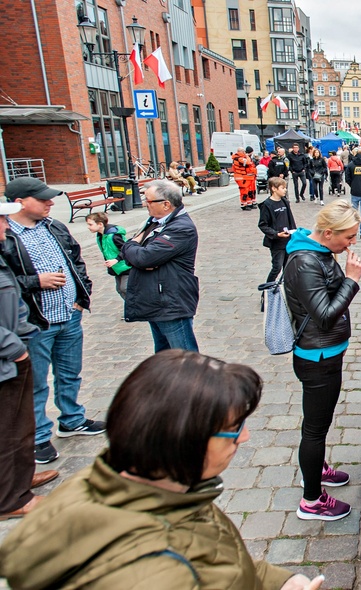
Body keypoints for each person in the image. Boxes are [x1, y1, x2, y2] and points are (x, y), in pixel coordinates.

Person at [0, 349, 325, 590]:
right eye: (234, 427)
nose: (245, 436)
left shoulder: (127, 484)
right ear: (184, 440)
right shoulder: (152, 575)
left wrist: (279, 581)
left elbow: (212, 559)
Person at [3, 177, 99, 466]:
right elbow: (4, 280)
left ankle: (72, 420)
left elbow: (76, 260)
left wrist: (82, 297)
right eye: (43, 198)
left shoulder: (54, 226)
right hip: (35, 322)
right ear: (20, 203)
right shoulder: (5, 235)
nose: (50, 203)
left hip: (69, 315)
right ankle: (37, 437)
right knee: (35, 383)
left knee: (70, 373)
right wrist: (36, 281)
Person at [283, 200, 361, 521]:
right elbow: (326, 316)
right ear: (327, 233)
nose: (352, 243)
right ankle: (312, 500)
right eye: (348, 237)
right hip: (317, 356)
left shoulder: (318, 252)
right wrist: (351, 280)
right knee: (315, 429)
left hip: (325, 353)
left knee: (321, 422)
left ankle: (315, 470)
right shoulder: (305, 262)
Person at [0, 199, 51, 520]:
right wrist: (13, 349)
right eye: (2, 222)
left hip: (14, 351)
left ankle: (20, 479)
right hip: (7, 359)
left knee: (21, 425)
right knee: (8, 429)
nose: (7, 226)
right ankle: (11, 499)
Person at [121, 180, 200, 353]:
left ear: (166, 204)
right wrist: (133, 249)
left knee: (186, 359)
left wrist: (133, 249)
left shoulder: (181, 228)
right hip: (158, 301)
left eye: (148, 201)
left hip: (171, 303)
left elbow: (143, 258)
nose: (144, 204)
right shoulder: (155, 222)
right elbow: (130, 255)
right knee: (164, 359)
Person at [258, 177, 297, 284]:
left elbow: (291, 220)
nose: (285, 190)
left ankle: (288, 291)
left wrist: (294, 233)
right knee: (277, 267)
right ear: (274, 189)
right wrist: (276, 234)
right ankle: (267, 290)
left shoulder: (285, 202)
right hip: (277, 243)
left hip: (288, 241)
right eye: (282, 188)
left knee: (288, 268)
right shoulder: (267, 205)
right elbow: (263, 225)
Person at [85, 211, 131, 301]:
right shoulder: (101, 236)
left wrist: (116, 260)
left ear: (100, 224)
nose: (88, 227)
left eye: (90, 224)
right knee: (119, 289)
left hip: (126, 266)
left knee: (125, 288)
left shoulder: (113, 236)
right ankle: (131, 309)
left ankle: (137, 309)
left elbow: (127, 249)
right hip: (117, 268)